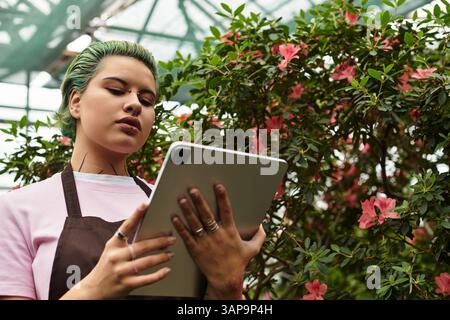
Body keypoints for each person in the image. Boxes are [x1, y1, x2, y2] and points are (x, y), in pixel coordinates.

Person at [0, 40, 266, 300]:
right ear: (76, 102)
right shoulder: (17, 209)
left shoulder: (179, 207)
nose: (135, 104)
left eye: (147, 100)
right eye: (116, 90)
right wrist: (92, 290)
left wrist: (228, 285)